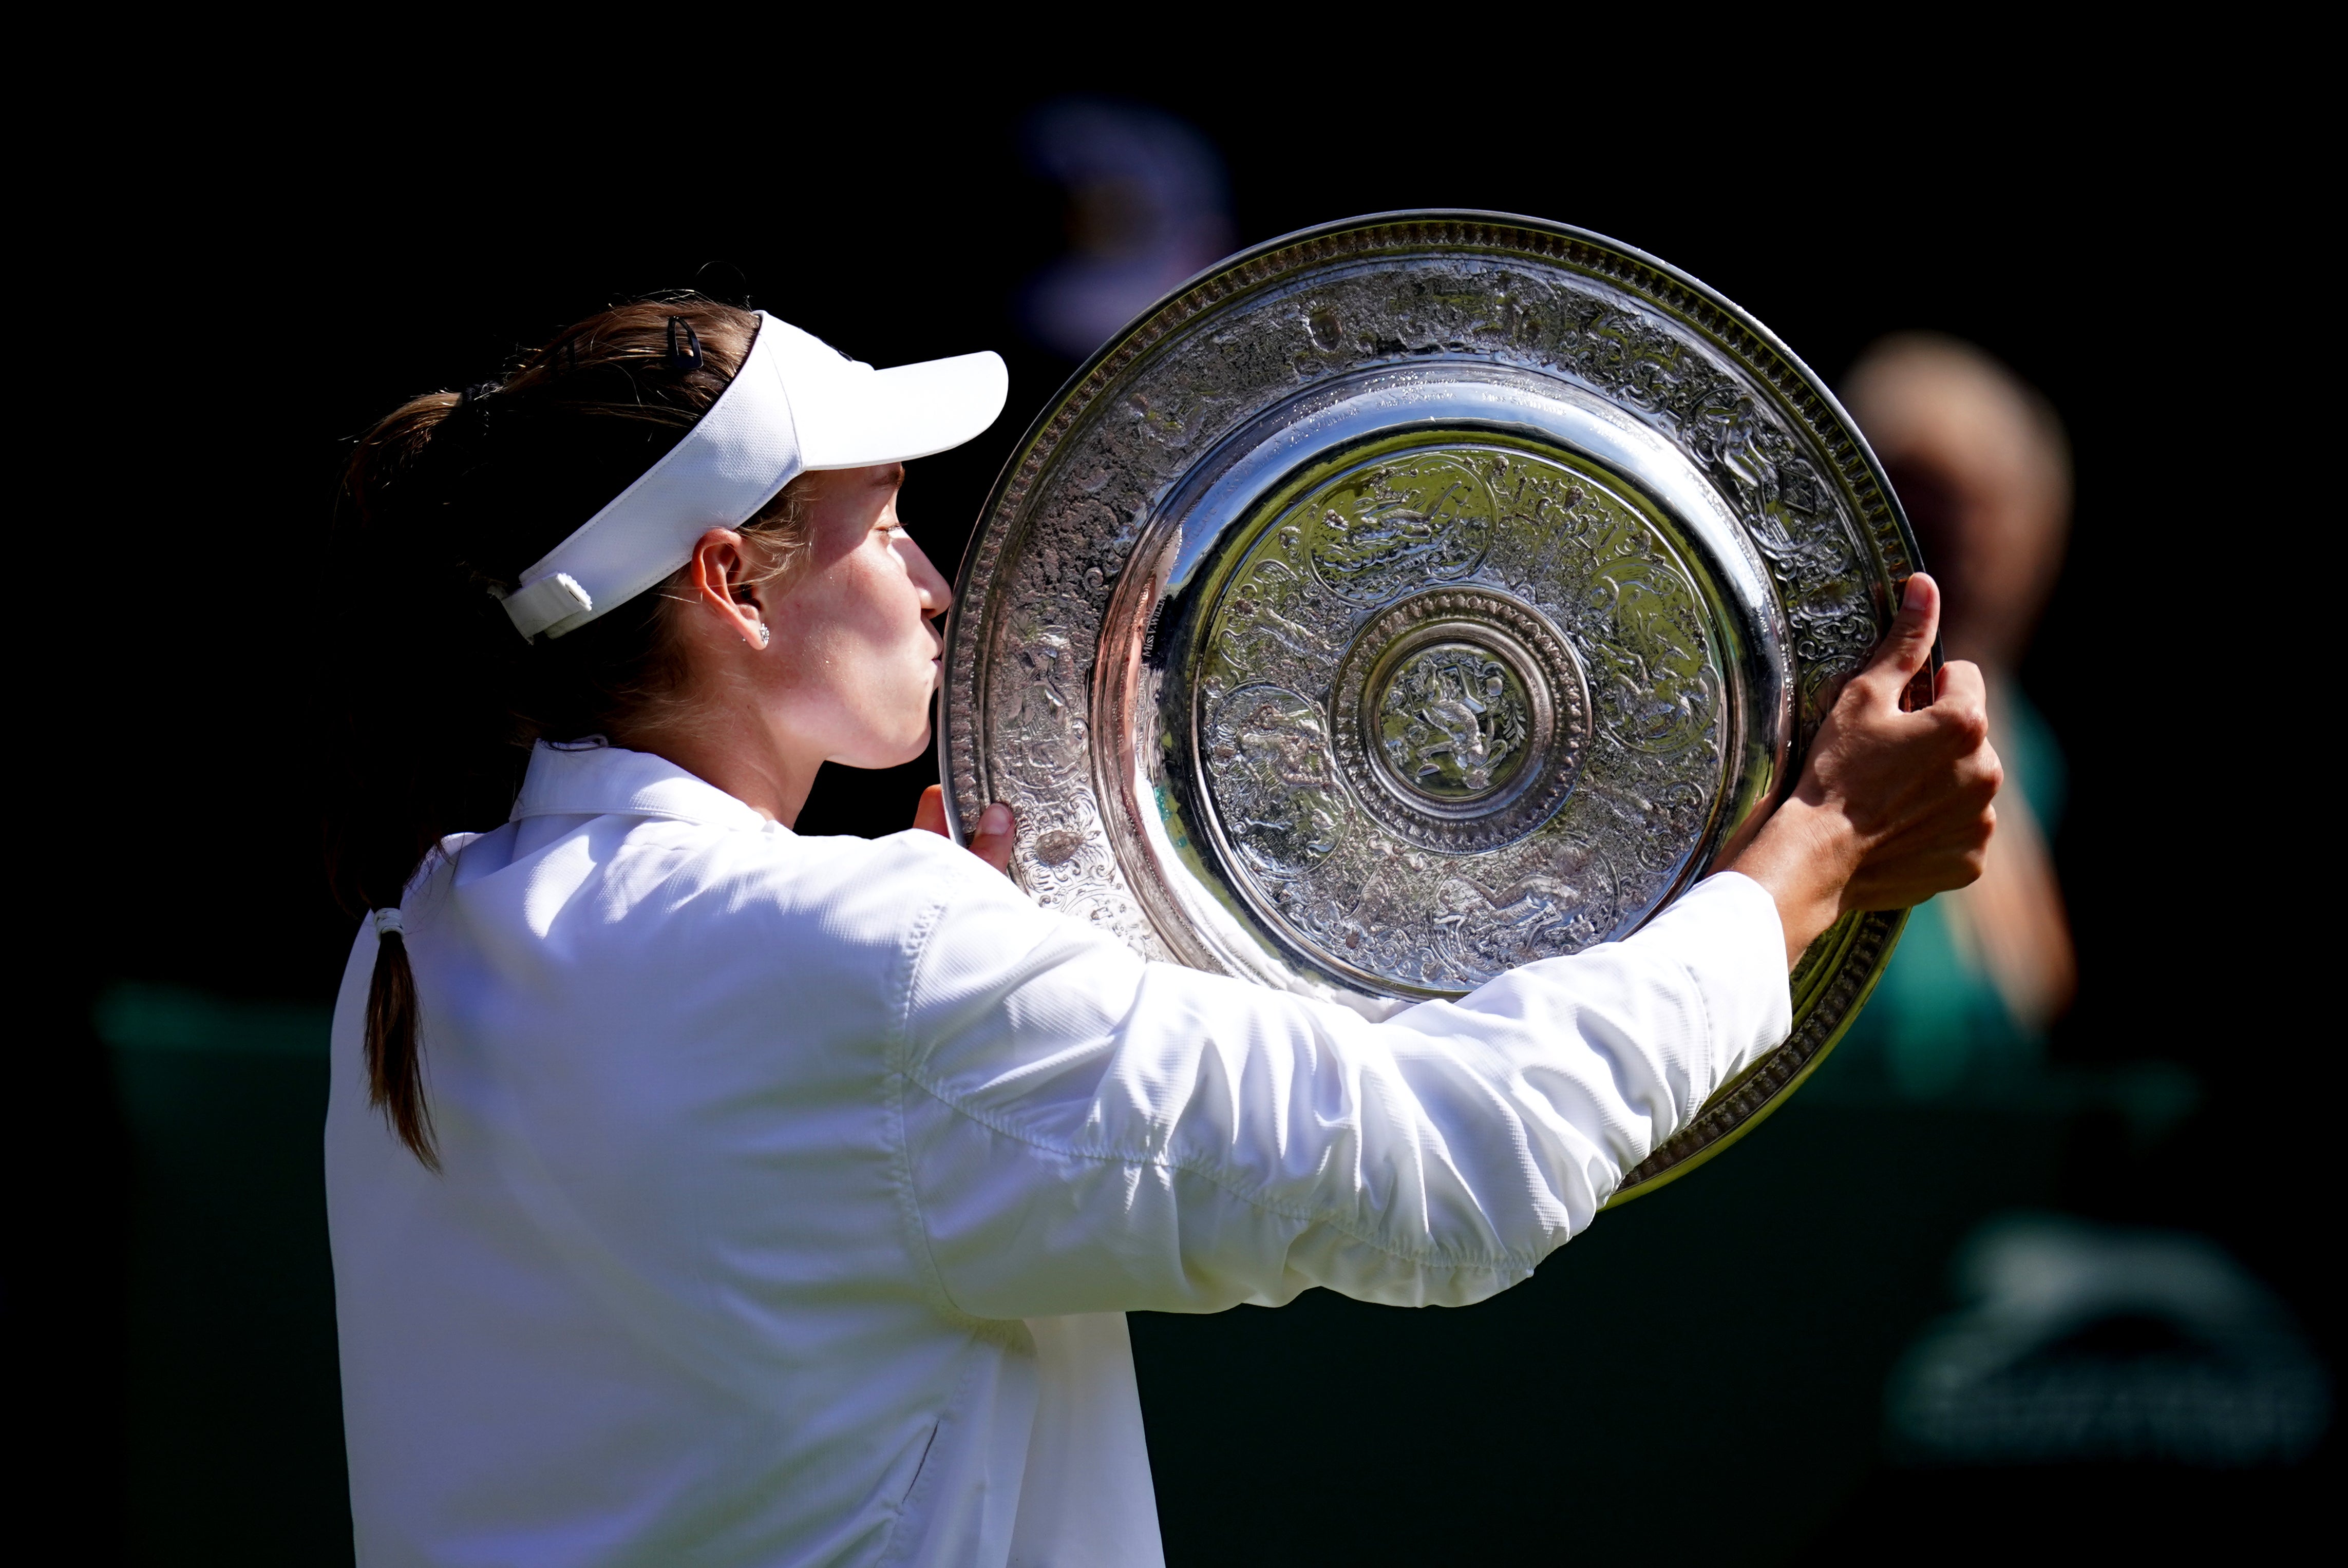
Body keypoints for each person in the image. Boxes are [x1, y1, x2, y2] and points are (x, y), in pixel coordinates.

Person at [324, 299, 1999, 1567]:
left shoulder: (416, 946)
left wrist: (949, 980)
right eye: (885, 516)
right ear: (732, 582)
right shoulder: (859, 954)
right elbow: (1461, 1168)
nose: (928, 578)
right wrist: (1811, 861)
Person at [1821, 334, 2076, 1099]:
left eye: (1991, 507)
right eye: (1920, 505)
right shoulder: (1799, 750)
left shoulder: (2029, 743)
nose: (1963, 552)